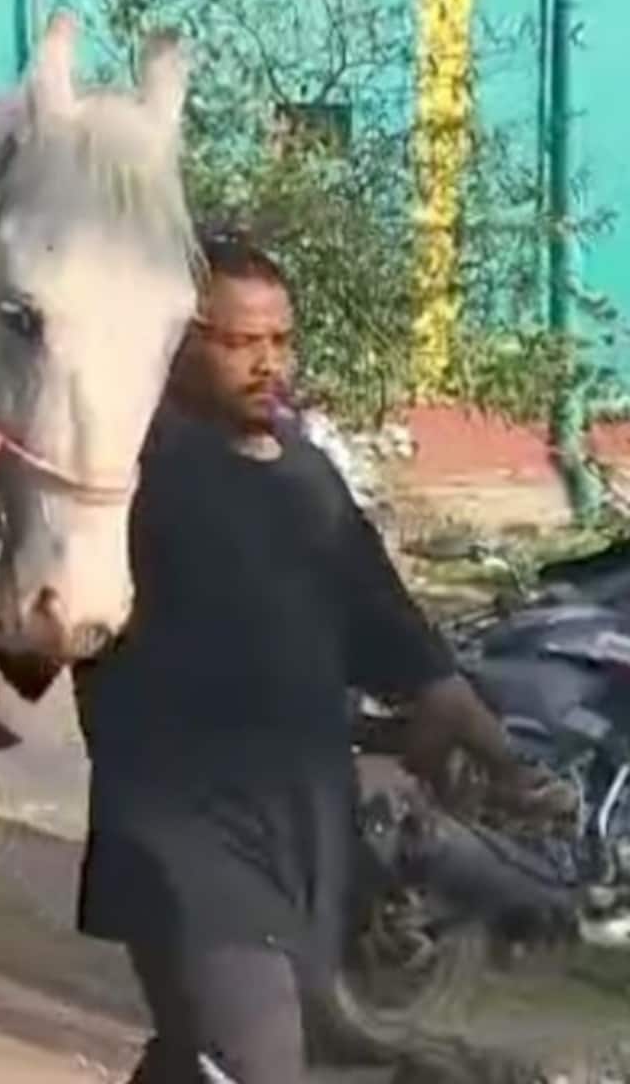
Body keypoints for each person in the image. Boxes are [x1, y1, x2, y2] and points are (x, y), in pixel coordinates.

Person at [73, 234, 572, 1084]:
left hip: (304, 827)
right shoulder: (125, 471)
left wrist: (504, 761)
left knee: (217, 1056)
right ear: (179, 338)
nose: (268, 362)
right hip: (181, 832)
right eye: (241, 342)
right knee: (255, 1060)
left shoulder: (306, 474)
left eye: (280, 339)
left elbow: (389, 626)